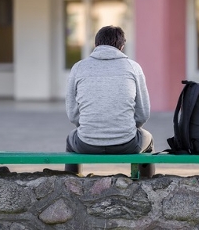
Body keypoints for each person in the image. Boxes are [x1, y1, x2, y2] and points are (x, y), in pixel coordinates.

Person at [65, 25, 155, 178]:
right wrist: (126, 127)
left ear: (96, 45)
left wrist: (91, 127)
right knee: (149, 139)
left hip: (86, 143)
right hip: (127, 143)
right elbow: (143, 114)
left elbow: (73, 115)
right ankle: (146, 185)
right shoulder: (133, 67)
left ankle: (73, 184)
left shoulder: (78, 68)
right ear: (122, 46)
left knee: (70, 140)